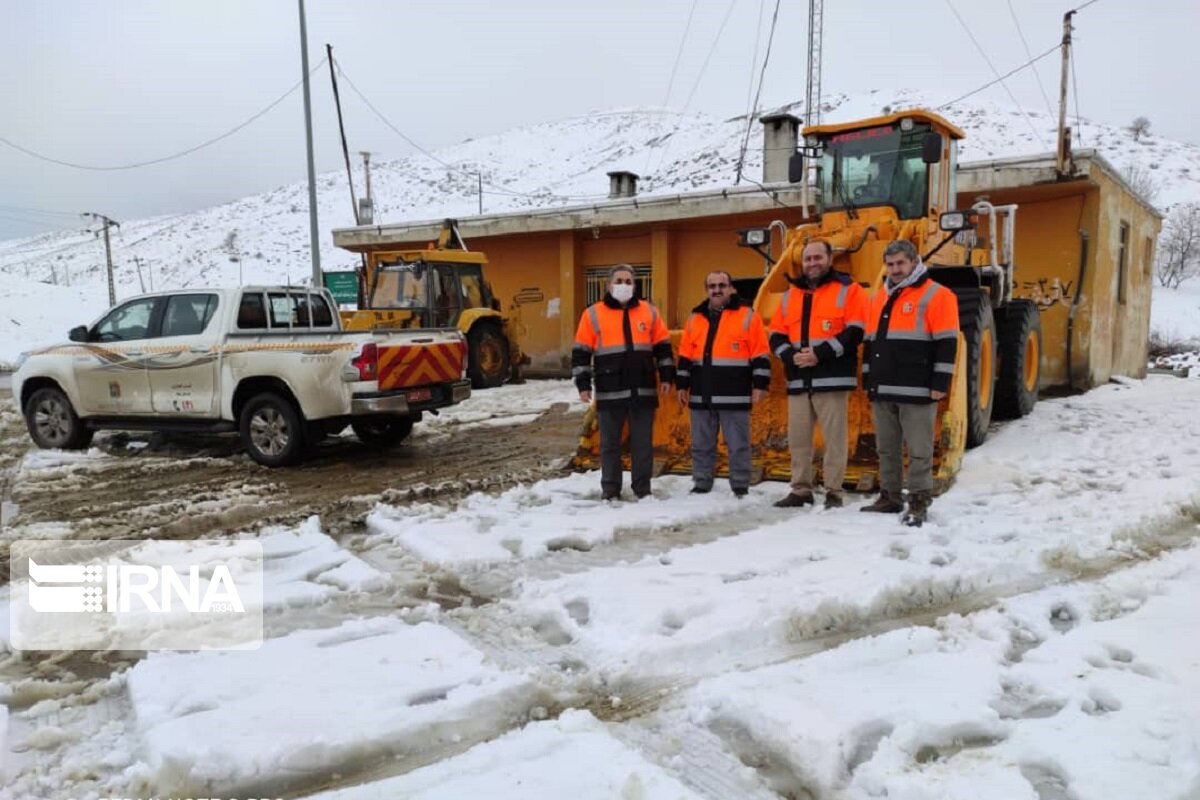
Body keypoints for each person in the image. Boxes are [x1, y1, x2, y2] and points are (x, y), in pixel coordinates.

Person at [861, 239, 960, 526]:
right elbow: (870, 342)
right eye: (890, 264)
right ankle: (890, 497)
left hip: (917, 388)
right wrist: (869, 379)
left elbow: (946, 343)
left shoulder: (938, 295)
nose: (895, 269)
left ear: (914, 262)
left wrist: (940, 382)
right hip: (884, 388)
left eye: (900, 263)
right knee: (887, 447)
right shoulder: (879, 297)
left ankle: (918, 501)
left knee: (919, 450)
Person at [769, 239, 870, 509]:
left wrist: (819, 354)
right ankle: (801, 489)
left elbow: (855, 331)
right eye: (808, 259)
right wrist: (791, 356)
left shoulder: (850, 290)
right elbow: (776, 334)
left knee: (834, 439)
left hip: (833, 378)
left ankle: (834, 491)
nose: (812, 263)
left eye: (818, 258)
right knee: (799, 439)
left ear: (829, 259)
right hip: (799, 380)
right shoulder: (790, 296)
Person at [572, 264, 674, 501]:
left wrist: (667, 376)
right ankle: (610, 488)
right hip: (610, 389)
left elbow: (663, 347)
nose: (624, 285)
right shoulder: (593, 314)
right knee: (609, 445)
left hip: (643, 388)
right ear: (609, 285)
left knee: (642, 444)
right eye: (619, 280)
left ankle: (642, 488)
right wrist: (583, 384)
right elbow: (580, 352)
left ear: (635, 286)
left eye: (628, 281)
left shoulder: (649, 312)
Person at [675, 271, 770, 497]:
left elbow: (760, 353)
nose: (716, 290)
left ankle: (739, 484)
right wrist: (681, 384)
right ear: (706, 290)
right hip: (701, 394)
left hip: (734, 394)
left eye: (721, 285)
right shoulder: (695, 318)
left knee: (738, 445)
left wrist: (761, 384)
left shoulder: (747, 316)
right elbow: (686, 355)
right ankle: (702, 482)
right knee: (701, 445)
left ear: (731, 288)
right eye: (711, 286)